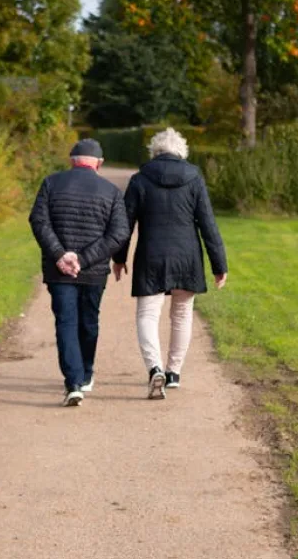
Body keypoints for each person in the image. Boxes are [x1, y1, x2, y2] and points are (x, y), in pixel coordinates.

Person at [114, 128, 227, 400]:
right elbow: (208, 224)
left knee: (147, 314)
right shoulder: (194, 178)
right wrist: (218, 264)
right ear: (182, 152)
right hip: (187, 255)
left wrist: (119, 257)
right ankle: (174, 372)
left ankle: (154, 368)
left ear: (154, 152)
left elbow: (125, 224)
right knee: (182, 313)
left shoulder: (140, 179)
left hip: (151, 254)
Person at [29, 138, 130, 407]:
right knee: (89, 322)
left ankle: (73, 382)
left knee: (66, 322)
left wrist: (61, 255)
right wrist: (84, 259)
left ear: (72, 160)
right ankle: (84, 375)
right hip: (93, 270)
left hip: (58, 269)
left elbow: (38, 221)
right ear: (99, 163)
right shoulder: (110, 191)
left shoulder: (51, 183)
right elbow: (119, 233)